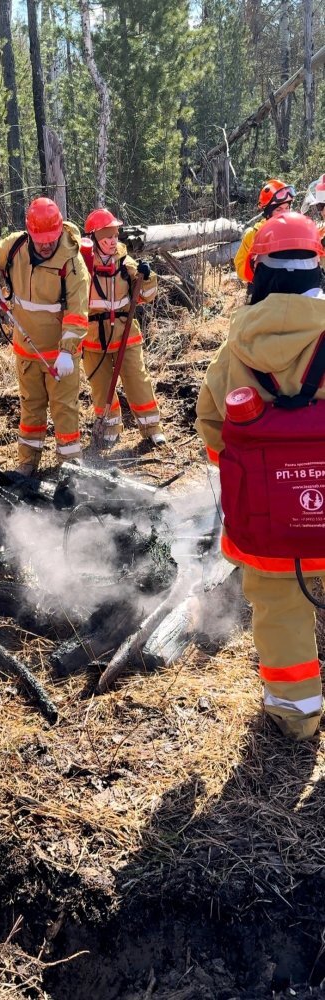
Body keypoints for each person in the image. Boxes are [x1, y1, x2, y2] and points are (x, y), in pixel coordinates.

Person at [196, 211, 325, 741]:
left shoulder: (235, 349)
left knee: (278, 610)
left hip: (267, 520)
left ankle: (296, 715)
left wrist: (262, 479)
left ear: (257, 272)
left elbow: (211, 426)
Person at [0, 197, 89, 474]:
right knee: (31, 408)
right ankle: (27, 465)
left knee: (64, 410)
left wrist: (67, 350)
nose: (45, 244)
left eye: (50, 239)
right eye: (40, 239)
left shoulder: (72, 262)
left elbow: (77, 313)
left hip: (60, 355)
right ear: (29, 232)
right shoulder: (15, 246)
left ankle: (70, 468)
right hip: (26, 351)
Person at [82, 208, 165, 447]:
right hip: (93, 338)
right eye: (106, 237)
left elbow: (146, 296)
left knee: (137, 380)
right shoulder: (83, 265)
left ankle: (151, 429)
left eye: (115, 236)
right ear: (95, 238)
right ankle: (109, 432)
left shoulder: (126, 263)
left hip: (125, 333)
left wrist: (147, 278)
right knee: (101, 387)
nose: (111, 241)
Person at [233, 178, 295, 283]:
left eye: (287, 208)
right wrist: (253, 266)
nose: (284, 213)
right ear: (268, 213)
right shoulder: (253, 235)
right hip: (263, 289)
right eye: (278, 209)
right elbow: (240, 267)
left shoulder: (296, 231)